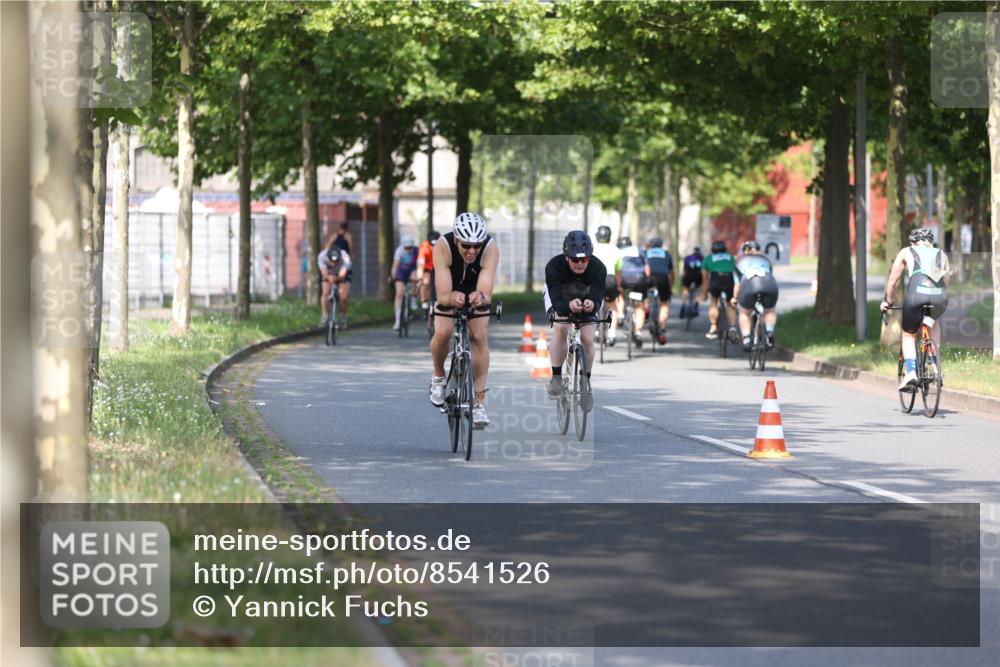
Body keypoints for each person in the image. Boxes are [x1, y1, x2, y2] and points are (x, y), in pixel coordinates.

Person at [428, 213, 500, 429]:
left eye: (476, 246)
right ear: (457, 240)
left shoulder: (490, 248)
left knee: (479, 335)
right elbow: (442, 296)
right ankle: (439, 377)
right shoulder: (443, 246)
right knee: (443, 332)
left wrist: (481, 297)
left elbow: (486, 289)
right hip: (447, 286)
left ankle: (478, 403)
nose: (471, 251)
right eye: (466, 246)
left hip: (474, 286)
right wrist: (451, 298)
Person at [880, 227, 950, 390]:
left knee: (909, 334)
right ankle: (935, 366)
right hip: (940, 298)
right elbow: (946, 282)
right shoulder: (942, 254)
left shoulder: (906, 251)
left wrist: (887, 301)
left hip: (916, 296)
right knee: (934, 322)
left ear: (913, 242)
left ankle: (911, 372)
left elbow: (893, 281)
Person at [543, 231, 607, 408]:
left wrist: (592, 304)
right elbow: (555, 298)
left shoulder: (599, 268)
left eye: (584, 260)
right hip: (560, 297)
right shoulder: (553, 267)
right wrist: (568, 306)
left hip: (585, 295)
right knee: (561, 328)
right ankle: (556, 376)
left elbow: (598, 295)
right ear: (566, 257)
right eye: (575, 260)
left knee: (587, 338)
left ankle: (585, 381)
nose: (580, 264)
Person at [731, 240, 779, 352]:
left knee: (744, 312)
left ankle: (747, 340)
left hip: (749, 285)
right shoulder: (766, 260)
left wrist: (735, 298)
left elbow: (737, 286)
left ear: (744, 251)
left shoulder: (739, 261)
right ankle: (769, 332)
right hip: (769, 283)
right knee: (770, 311)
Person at [614, 236, 648, 348]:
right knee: (639, 306)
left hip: (624, 278)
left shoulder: (617, 251)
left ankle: (621, 314)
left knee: (620, 292)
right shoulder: (639, 250)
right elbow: (647, 268)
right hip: (639, 278)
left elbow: (616, 269)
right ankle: (638, 332)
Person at [591, 225, 621, 345]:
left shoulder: (592, 249)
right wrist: (618, 287)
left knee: (592, 305)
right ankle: (612, 334)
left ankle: (596, 331)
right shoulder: (615, 250)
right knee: (613, 306)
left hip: (595, 279)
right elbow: (619, 271)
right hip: (610, 279)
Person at [701, 240, 737, 340]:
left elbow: (704, 278)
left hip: (715, 279)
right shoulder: (730, 257)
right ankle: (733, 327)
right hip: (729, 279)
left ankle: (713, 327)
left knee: (713, 302)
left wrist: (704, 293)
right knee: (730, 304)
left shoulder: (708, 258)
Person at [643, 238, 675, 345]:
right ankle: (662, 332)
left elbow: (646, 269)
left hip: (651, 278)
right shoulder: (666, 254)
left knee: (645, 296)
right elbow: (671, 273)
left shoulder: (646, 253)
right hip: (663, 279)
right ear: (661, 245)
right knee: (664, 304)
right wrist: (670, 287)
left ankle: (647, 310)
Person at [389, 234, 420, 331]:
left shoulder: (417, 251)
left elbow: (420, 266)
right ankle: (398, 321)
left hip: (413, 269)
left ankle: (413, 298)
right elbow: (395, 266)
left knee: (415, 276)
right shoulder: (399, 251)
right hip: (402, 270)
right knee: (399, 294)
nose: (408, 249)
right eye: (406, 247)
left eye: (410, 247)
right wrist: (393, 276)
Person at [318, 245, 352, 327]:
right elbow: (324, 274)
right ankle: (325, 316)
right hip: (328, 273)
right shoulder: (322, 256)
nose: (333, 264)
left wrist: (337, 278)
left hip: (342, 273)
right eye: (331, 261)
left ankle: (343, 316)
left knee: (343, 297)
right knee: (325, 292)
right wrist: (329, 278)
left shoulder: (346, 258)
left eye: (336, 261)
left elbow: (342, 275)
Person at [417, 230, 441, 309]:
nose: (433, 246)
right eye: (431, 244)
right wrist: (419, 278)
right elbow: (421, 263)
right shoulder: (424, 247)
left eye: (435, 244)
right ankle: (424, 300)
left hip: (438, 267)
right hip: (427, 268)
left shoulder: (442, 245)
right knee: (425, 282)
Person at [680, 246, 704, 318]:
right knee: (699, 289)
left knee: (685, 290)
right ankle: (696, 305)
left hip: (688, 276)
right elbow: (703, 271)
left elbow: (684, 271)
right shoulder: (702, 258)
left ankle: (683, 307)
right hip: (698, 276)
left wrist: (682, 280)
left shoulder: (687, 258)